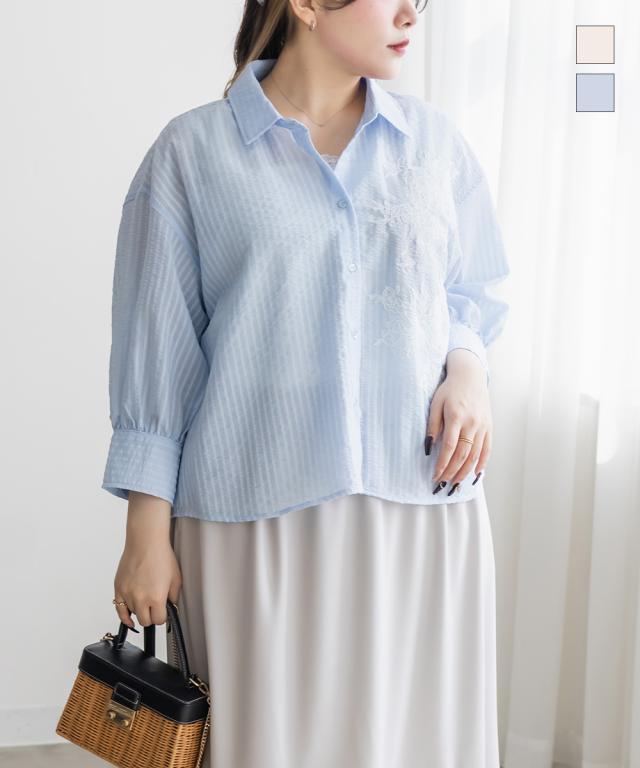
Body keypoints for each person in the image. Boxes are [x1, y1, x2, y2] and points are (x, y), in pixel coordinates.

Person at [103, 0, 510, 765]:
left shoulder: (435, 143)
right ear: (307, 5)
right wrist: (145, 537)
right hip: (254, 521)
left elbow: (473, 293)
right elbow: (155, 356)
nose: (410, 13)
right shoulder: (191, 154)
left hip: (421, 510)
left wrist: (468, 370)